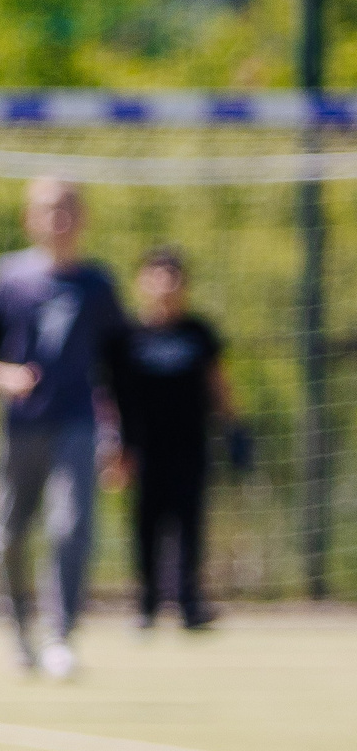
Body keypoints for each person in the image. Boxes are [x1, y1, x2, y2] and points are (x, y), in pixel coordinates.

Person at [0, 178, 126, 679]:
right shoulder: (8, 279)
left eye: (66, 208)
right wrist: (2, 379)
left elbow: (118, 367)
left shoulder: (98, 285)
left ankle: (60, 636)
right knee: (4, 535)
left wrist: (119, 435)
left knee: (70, 526)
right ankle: (18, 632)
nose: (57, 218)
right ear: (29, 218)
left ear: (82, 218)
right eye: (47, 209)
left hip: (77, 423)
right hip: (19, 426)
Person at [111, 248, 241, 630]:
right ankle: (146, 604)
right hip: (143, 448)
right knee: (146, 524)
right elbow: (112, 395)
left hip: (190, 445)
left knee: (189, 523)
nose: (165, 286)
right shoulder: (127, 337)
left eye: (173, 277)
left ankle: (189, 602)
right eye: (157, 276)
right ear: (141, 283)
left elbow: (218, 382)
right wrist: (116, 446)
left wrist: (235, 427)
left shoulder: (198, 332)